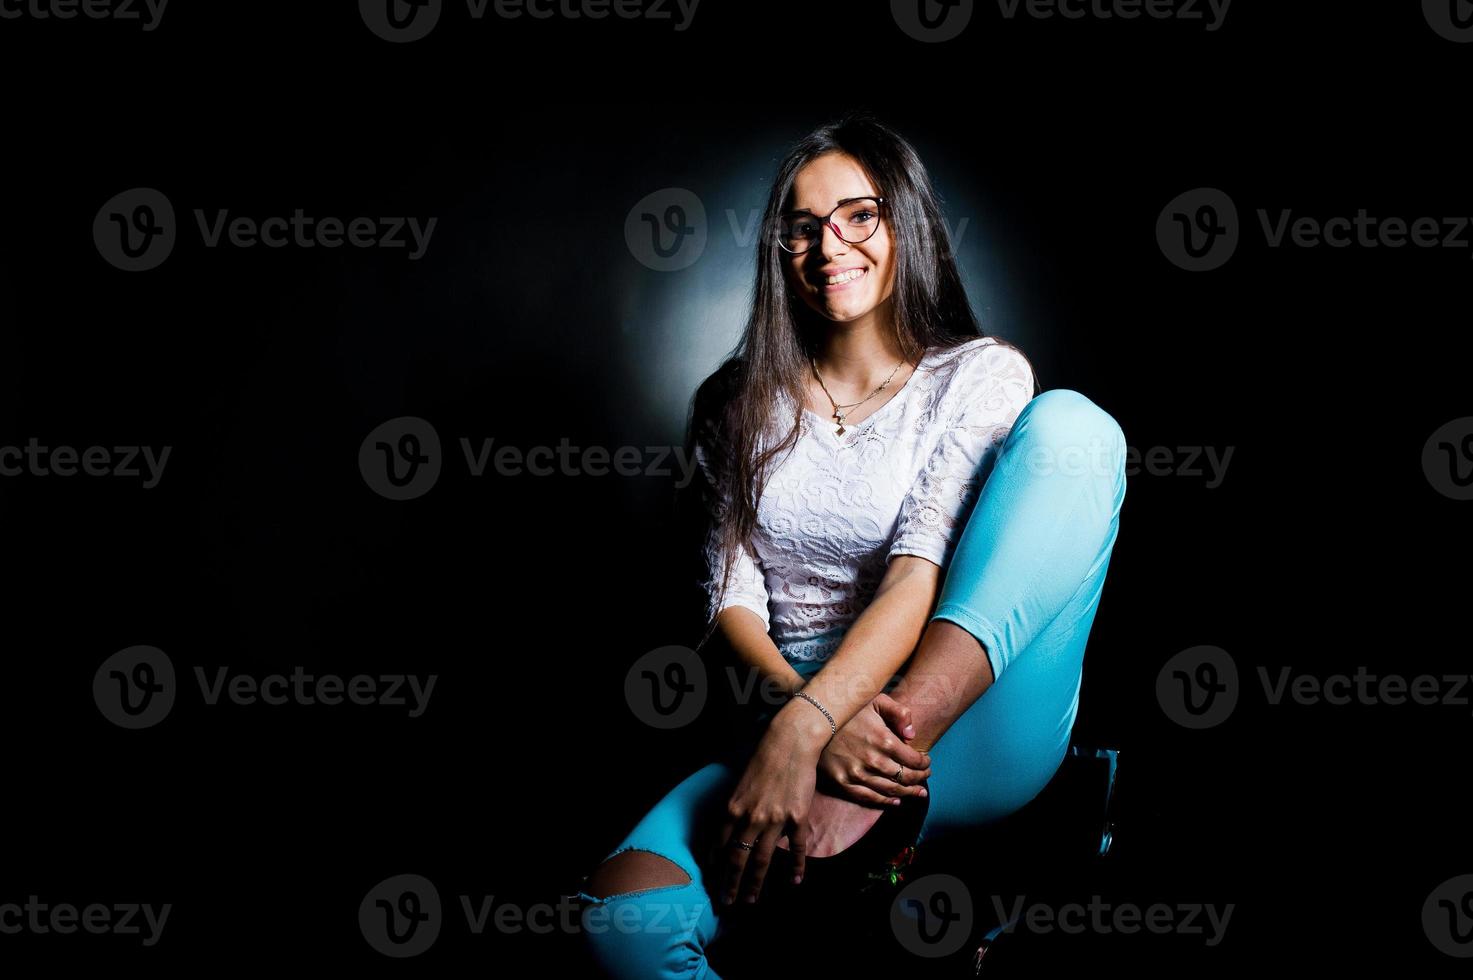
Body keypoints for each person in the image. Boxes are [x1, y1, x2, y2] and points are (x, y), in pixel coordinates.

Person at [568, 110, 1128, 979]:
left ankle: (879, 784)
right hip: (785, 709)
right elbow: (730, 601)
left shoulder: (975, 375)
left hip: (958, 717)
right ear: (779, 252)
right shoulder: (733, 405)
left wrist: (822, 726)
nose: (829, 245)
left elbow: (916, 574)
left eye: (857, 216)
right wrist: (796, 723)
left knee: (1074, 431)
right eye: (801, 228)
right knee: (620, 922)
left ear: (902, 223)